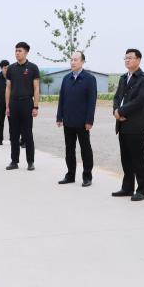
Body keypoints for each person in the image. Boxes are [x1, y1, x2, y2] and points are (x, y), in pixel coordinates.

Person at [111, 48, 144, 201]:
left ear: (138, 60)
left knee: (138, 158)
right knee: (126, 158)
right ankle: (127, 188)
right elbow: (117, 97)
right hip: (122, 124)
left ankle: (142, 190)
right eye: (125, 58)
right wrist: (116, 111)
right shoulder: (123, 78)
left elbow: (139, 101)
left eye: (130, 57)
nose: (127, 60)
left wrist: (121, 111)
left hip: (136, 125)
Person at [55, 51, 97, 186]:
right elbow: (62, 98)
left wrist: (89, 120)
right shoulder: (66, 78)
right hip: (68, 120)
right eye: (71, 60)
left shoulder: (89, 79)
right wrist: (59, 116)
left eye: (76, 60)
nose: (72, 62)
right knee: (69, 149)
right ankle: (70, 175)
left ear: (82, 62)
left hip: (82, 122)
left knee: (85, 149)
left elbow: (92, 101)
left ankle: (87, 176)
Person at [5, 41, 40, 171]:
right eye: (16, 51)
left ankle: (30, 162)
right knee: (13, 134)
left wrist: (35, 107)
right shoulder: (11, 68)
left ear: (26, 52)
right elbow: (8, 88)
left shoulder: (33, 68)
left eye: (19, 51)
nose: (17, 53)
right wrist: (7, 106)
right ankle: (14, 161)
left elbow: (36, 88)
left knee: (27, 134)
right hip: (14, 103)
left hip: (27, 103)